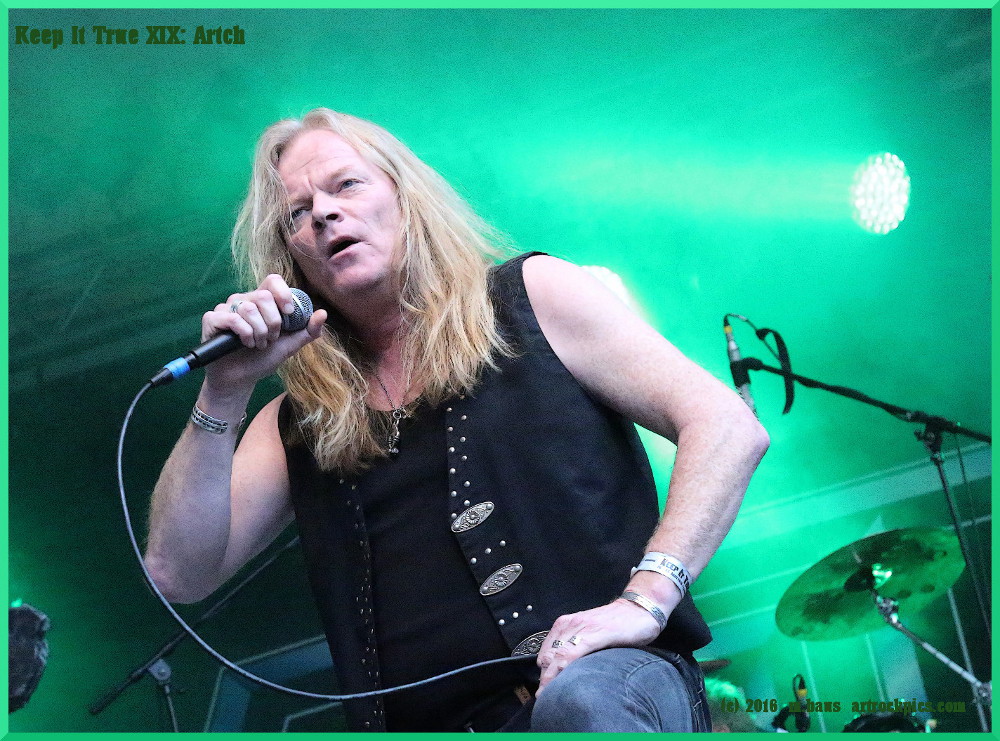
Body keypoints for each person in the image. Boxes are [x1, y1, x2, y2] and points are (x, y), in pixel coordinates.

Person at [144, 108, 769, 732]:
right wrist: (224, 390)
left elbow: (727, 426)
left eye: (346, 185)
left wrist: (647, 599)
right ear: (292, 259)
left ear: (406, 197)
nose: (324, 214)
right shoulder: (298, 420)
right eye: (297, 213)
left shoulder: (532, 297)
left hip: (604, 692)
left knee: (579, 703)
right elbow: (178, 573)